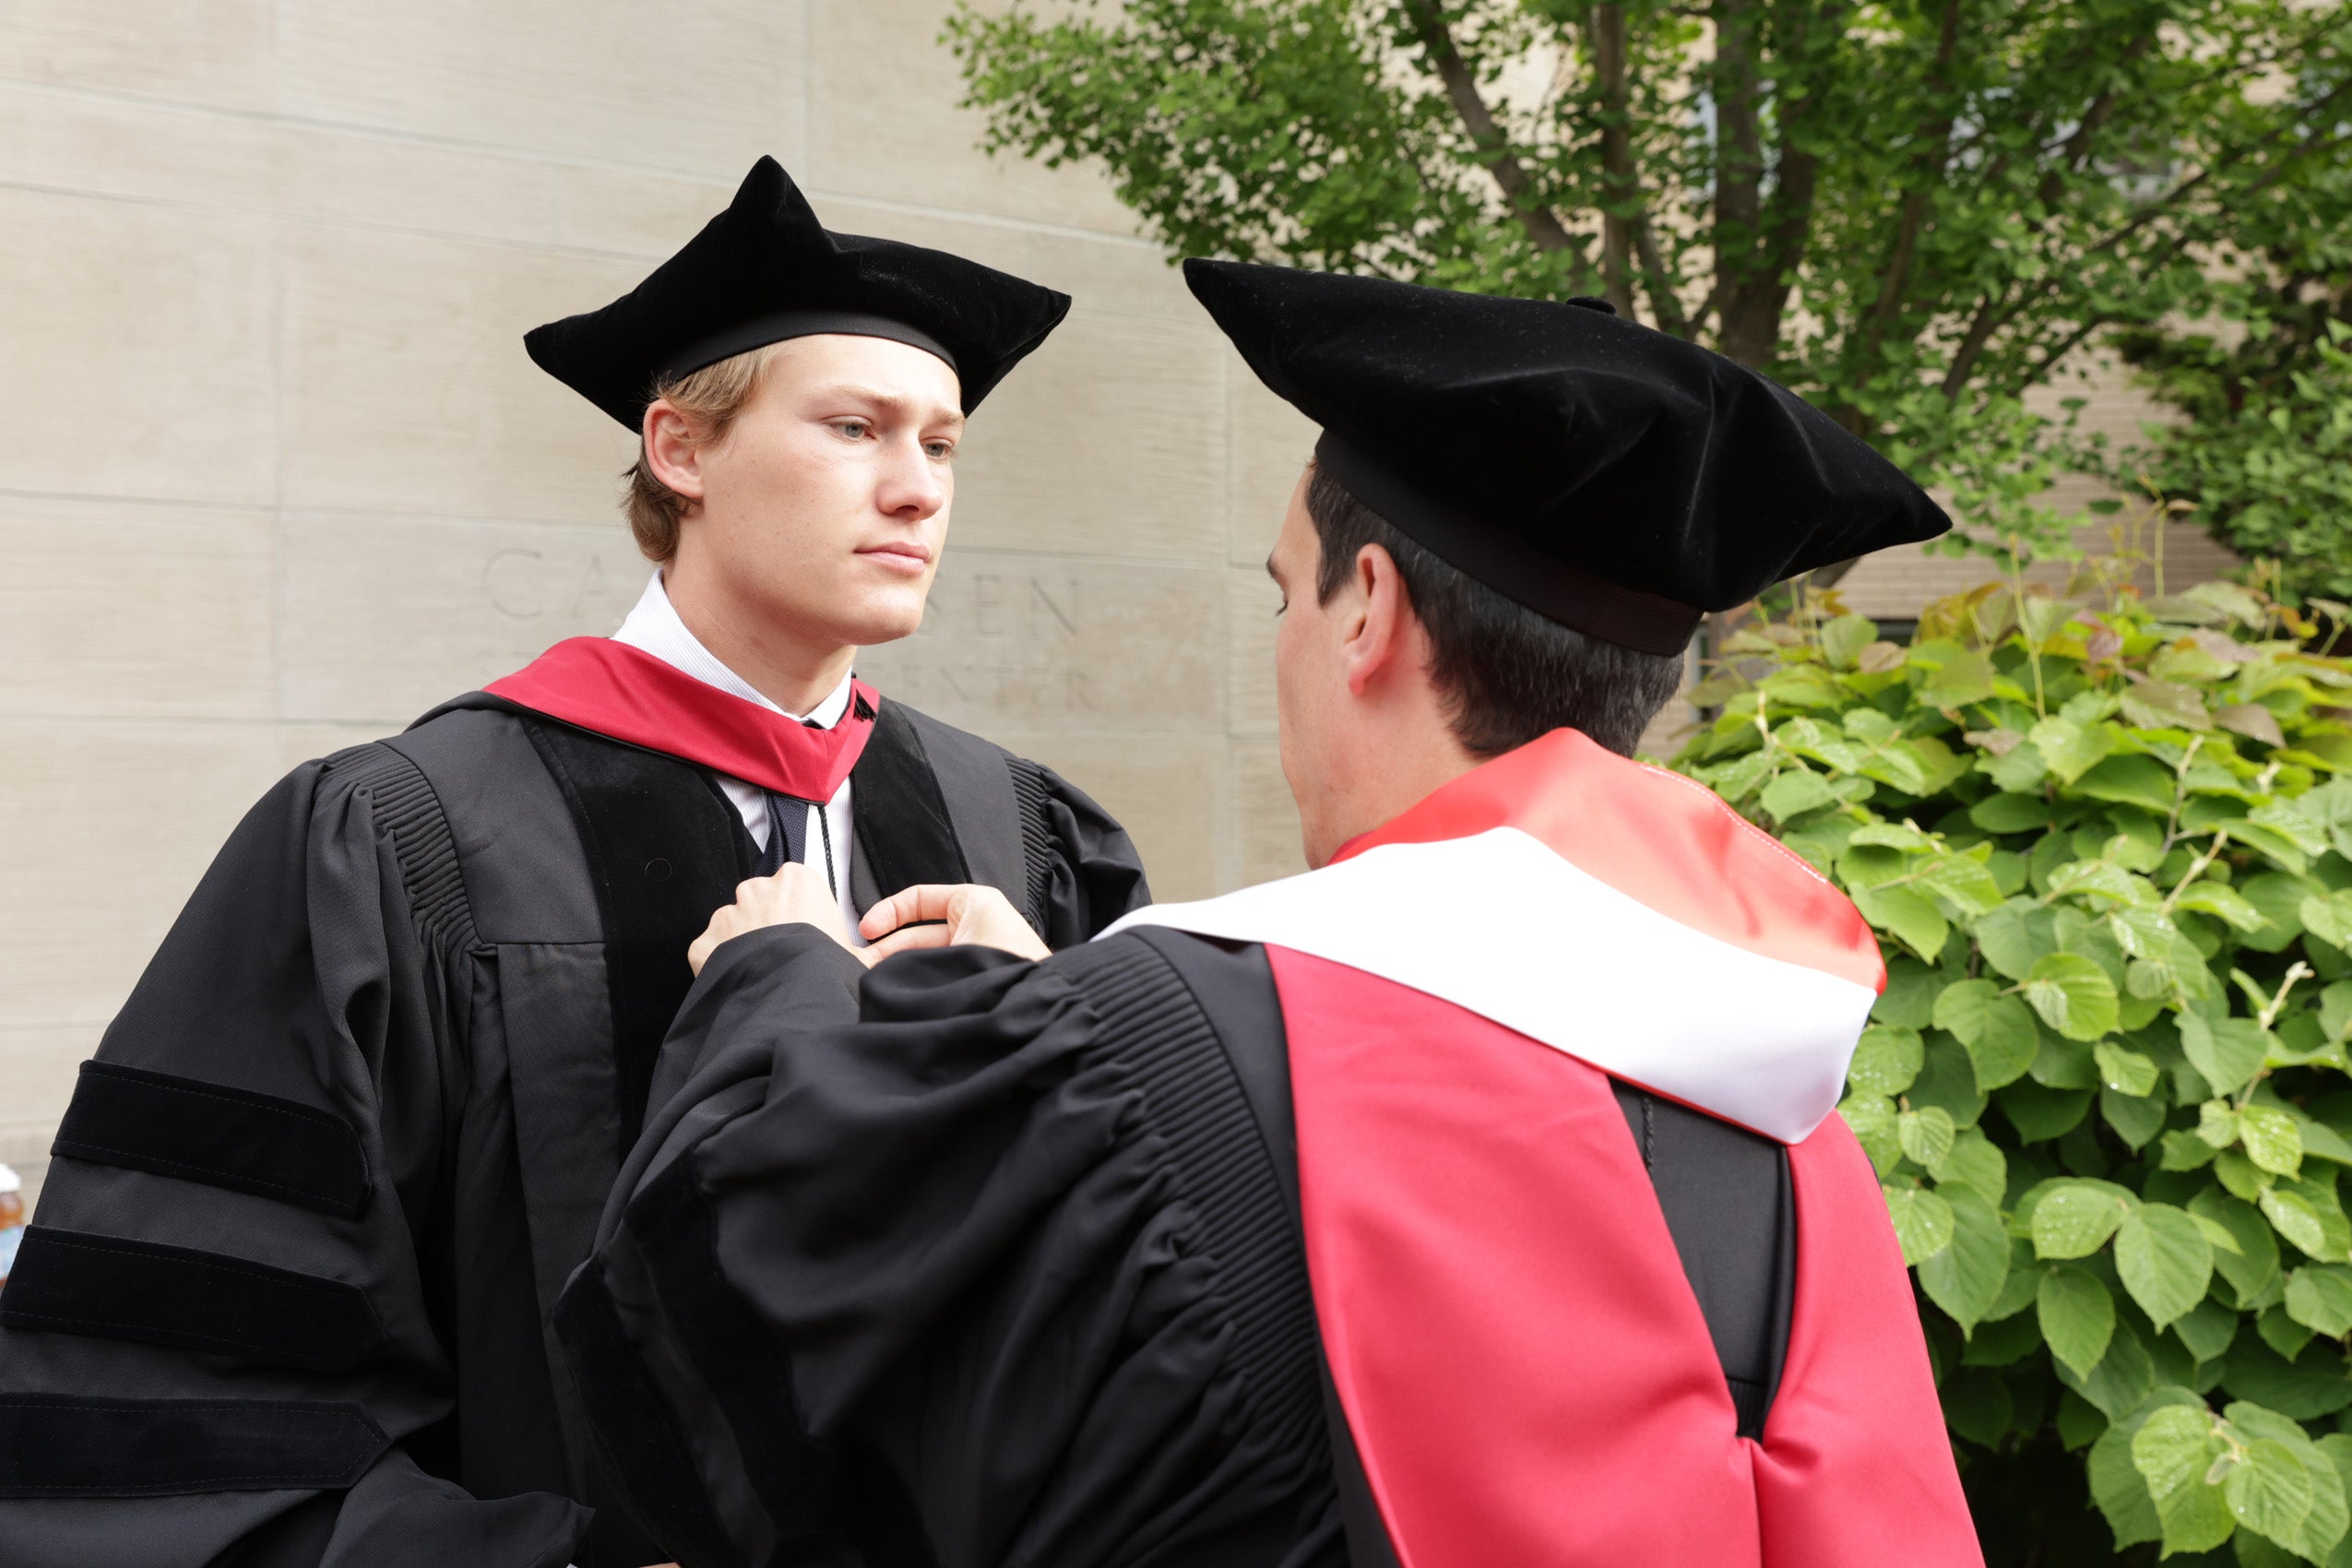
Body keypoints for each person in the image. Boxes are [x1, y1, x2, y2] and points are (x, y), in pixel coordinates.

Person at [558, 261, 1989, 1568]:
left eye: (1281, 599)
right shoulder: (1784, 1104)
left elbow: (728, 1406)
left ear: (1365, 611)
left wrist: (774, 986)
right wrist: (1060, 1005)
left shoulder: (1159, 1049)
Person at [0, 157, 1148, 1568]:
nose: (915, 492)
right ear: (679, 449)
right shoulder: (403, 837)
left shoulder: (1019, 832)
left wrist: (1055, 1031)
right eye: (854, 427)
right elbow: (187, 1392)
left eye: (942, 443)